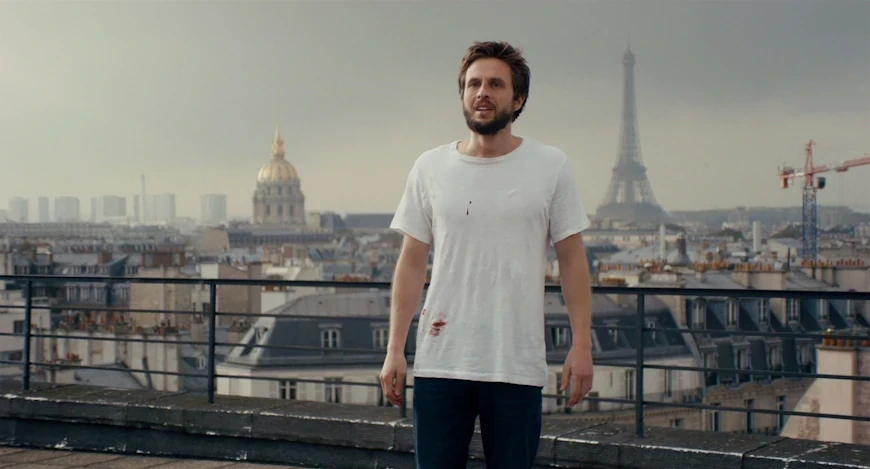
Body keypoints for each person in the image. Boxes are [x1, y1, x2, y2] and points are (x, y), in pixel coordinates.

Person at [379, 40, 594, 469]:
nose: (482, 92)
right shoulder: (429, 167)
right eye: (473, 84)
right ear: (461, 94)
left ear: (518, 99)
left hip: (515, 363)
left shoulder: (551, 166)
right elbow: (411, 263)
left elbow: (572, 261)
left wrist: (582, 344)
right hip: (441, 361)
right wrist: (394, 348)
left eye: (496, 84)